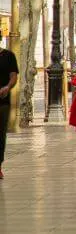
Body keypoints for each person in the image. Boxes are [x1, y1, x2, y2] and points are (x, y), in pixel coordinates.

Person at [0, 40, 18, 177]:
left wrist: (8, 87)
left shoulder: (8, 56)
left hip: (3, 102)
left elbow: (13, 76)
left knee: (1, 135)